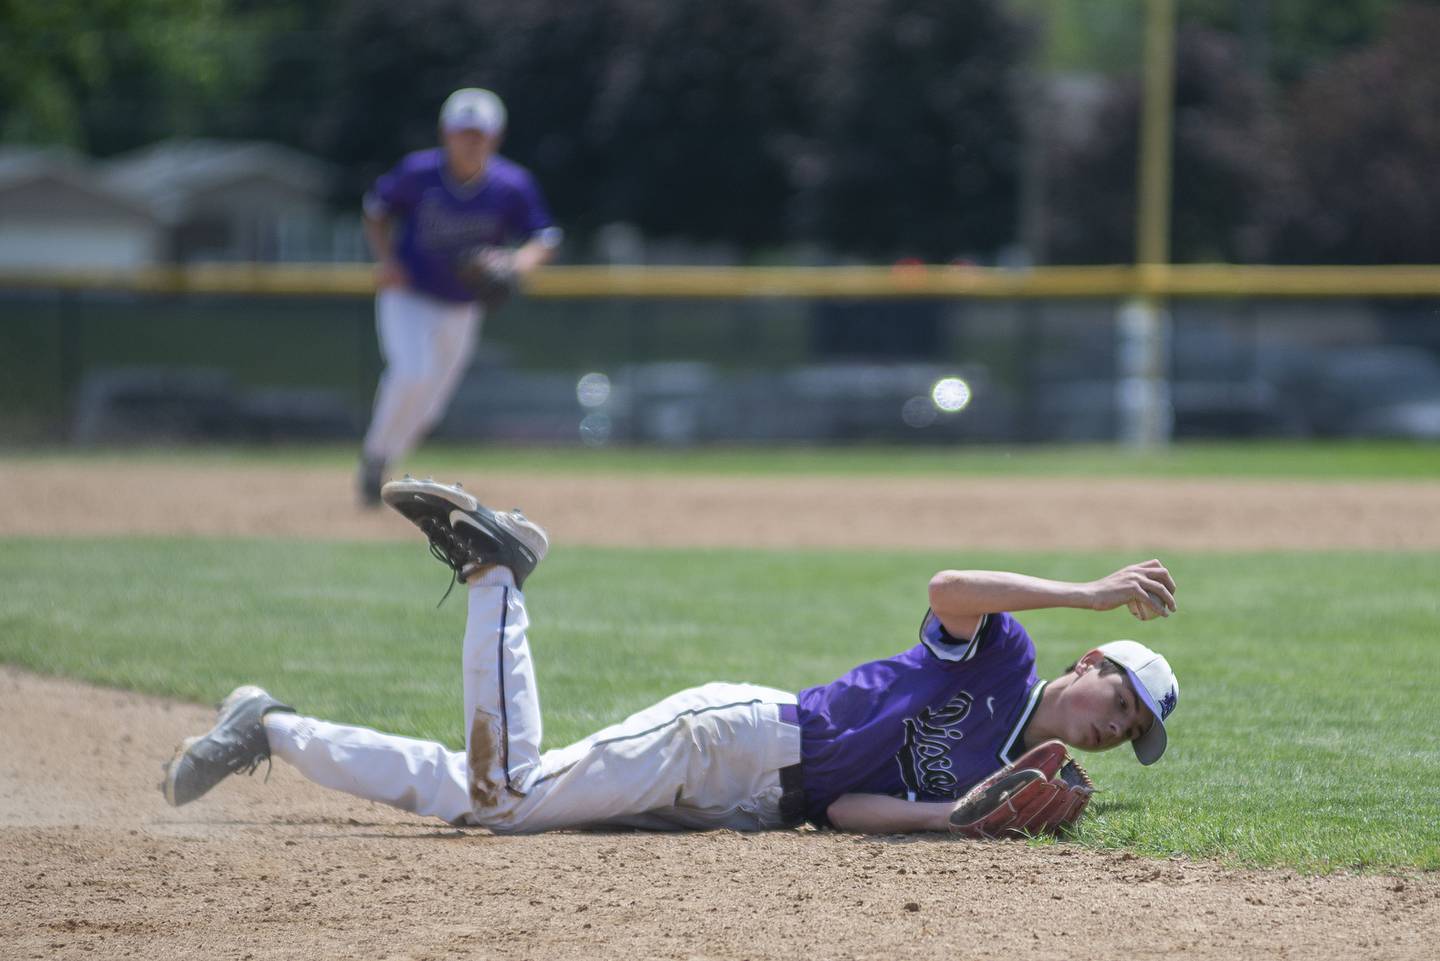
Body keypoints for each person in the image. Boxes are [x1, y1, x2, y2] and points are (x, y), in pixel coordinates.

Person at [162, 479, 1181, 835]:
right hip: (731, 740)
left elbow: (841, 809)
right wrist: (1088, 586)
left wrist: (953, 819)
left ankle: (273, 724)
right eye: (1122, 697)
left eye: (1128, 729)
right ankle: (496, 577)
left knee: (483, 797)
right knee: (504, 796)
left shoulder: (1007, 768)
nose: (1113, 723)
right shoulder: (1003, 656)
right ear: (1089, 660)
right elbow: (948, 586)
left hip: (750, 802)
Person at [356, 88, 562, 506]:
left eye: (479, 134)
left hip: (463, 308)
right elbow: (376, 210)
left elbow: (545, 237)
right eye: (462, 132)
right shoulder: (418, 173)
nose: (471, 141)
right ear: (445, 134)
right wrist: (387, 260)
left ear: (495, 137)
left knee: (429, 409)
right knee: (411, 373)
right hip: (410, 295)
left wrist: (517, 263)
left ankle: (386, 462)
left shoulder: (511, 184)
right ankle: (374, 460)